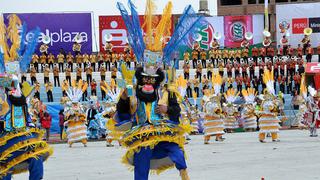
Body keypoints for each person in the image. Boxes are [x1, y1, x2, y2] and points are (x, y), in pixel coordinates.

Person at [0, 15, 52, 179]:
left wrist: (16, 90)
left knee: (36, 158)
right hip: (3, 136)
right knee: (4, 166)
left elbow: (21, 102)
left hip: (24, 134)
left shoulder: (21, 90)